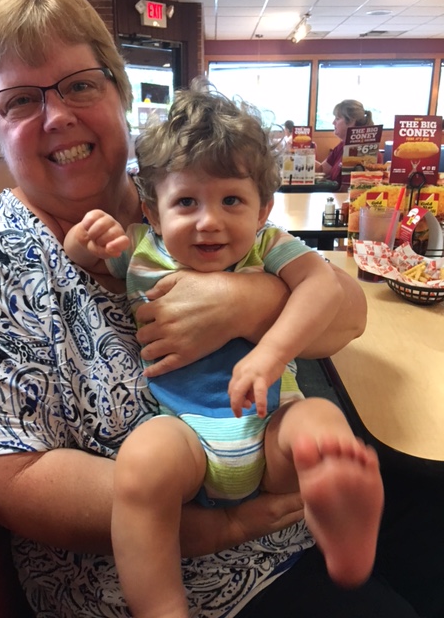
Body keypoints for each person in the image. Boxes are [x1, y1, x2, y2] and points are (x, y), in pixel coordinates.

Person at [0, 0, 423, 617]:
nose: (58, 116)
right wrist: (218, 528)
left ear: (121, 93)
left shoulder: (182, 183)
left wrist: (247, 301)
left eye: (80, 85)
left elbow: (348, 312)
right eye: (19, 100)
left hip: (286, 508)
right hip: (141, 575)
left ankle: (349, 527)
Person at [64, 80, 384, 618]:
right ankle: (161, 608)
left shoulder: (268, 245)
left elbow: (323, 287)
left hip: (274, 427)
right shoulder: (141, 249)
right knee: (141, 464)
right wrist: (85, 239)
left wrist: (271, 353)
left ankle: (343, 524)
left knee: (321, 428)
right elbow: (85, 260)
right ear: (153, 211)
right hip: (186, 438)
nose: (209, 220)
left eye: (231, 200)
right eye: (186, 202)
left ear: (262, 210)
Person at [316, 99, 374, 186]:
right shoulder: (341, 145)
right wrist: (301, 155)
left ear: (351, 122)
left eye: (337, 118)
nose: (333, 122)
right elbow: (322, 169)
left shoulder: (367, 151)